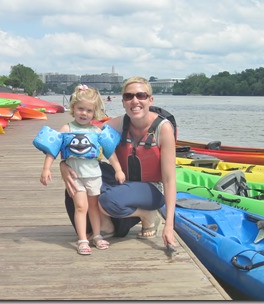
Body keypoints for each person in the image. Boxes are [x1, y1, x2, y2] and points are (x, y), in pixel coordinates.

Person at [60, 76, 177, 250]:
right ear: (123, 101)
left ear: (150, 100)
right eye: (129, 96)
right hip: (125, 183)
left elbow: (169, 180)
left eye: (141, 96)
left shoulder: (163, 128)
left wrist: (169, 225)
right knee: (79, 177)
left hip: (151, 188)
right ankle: (107, 224)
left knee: (108, 200)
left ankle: (146, 213)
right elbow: (85, 140)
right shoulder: (119, 123)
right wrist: (63, 165)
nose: (134, 101)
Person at [38, 84, 125, 255]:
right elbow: (52, 150)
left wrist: (118, 169)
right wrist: (46, 169)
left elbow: (110, 152)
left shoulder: (97, 131)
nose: (84, 113)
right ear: (73, 108)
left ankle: (97, 235)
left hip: (93, 174)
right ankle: (83, 239)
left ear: (94, 112)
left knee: (94, 206)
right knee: (80, 206)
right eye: (80, 109)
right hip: (75, 175)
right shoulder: (66, 129)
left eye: (89, 111)